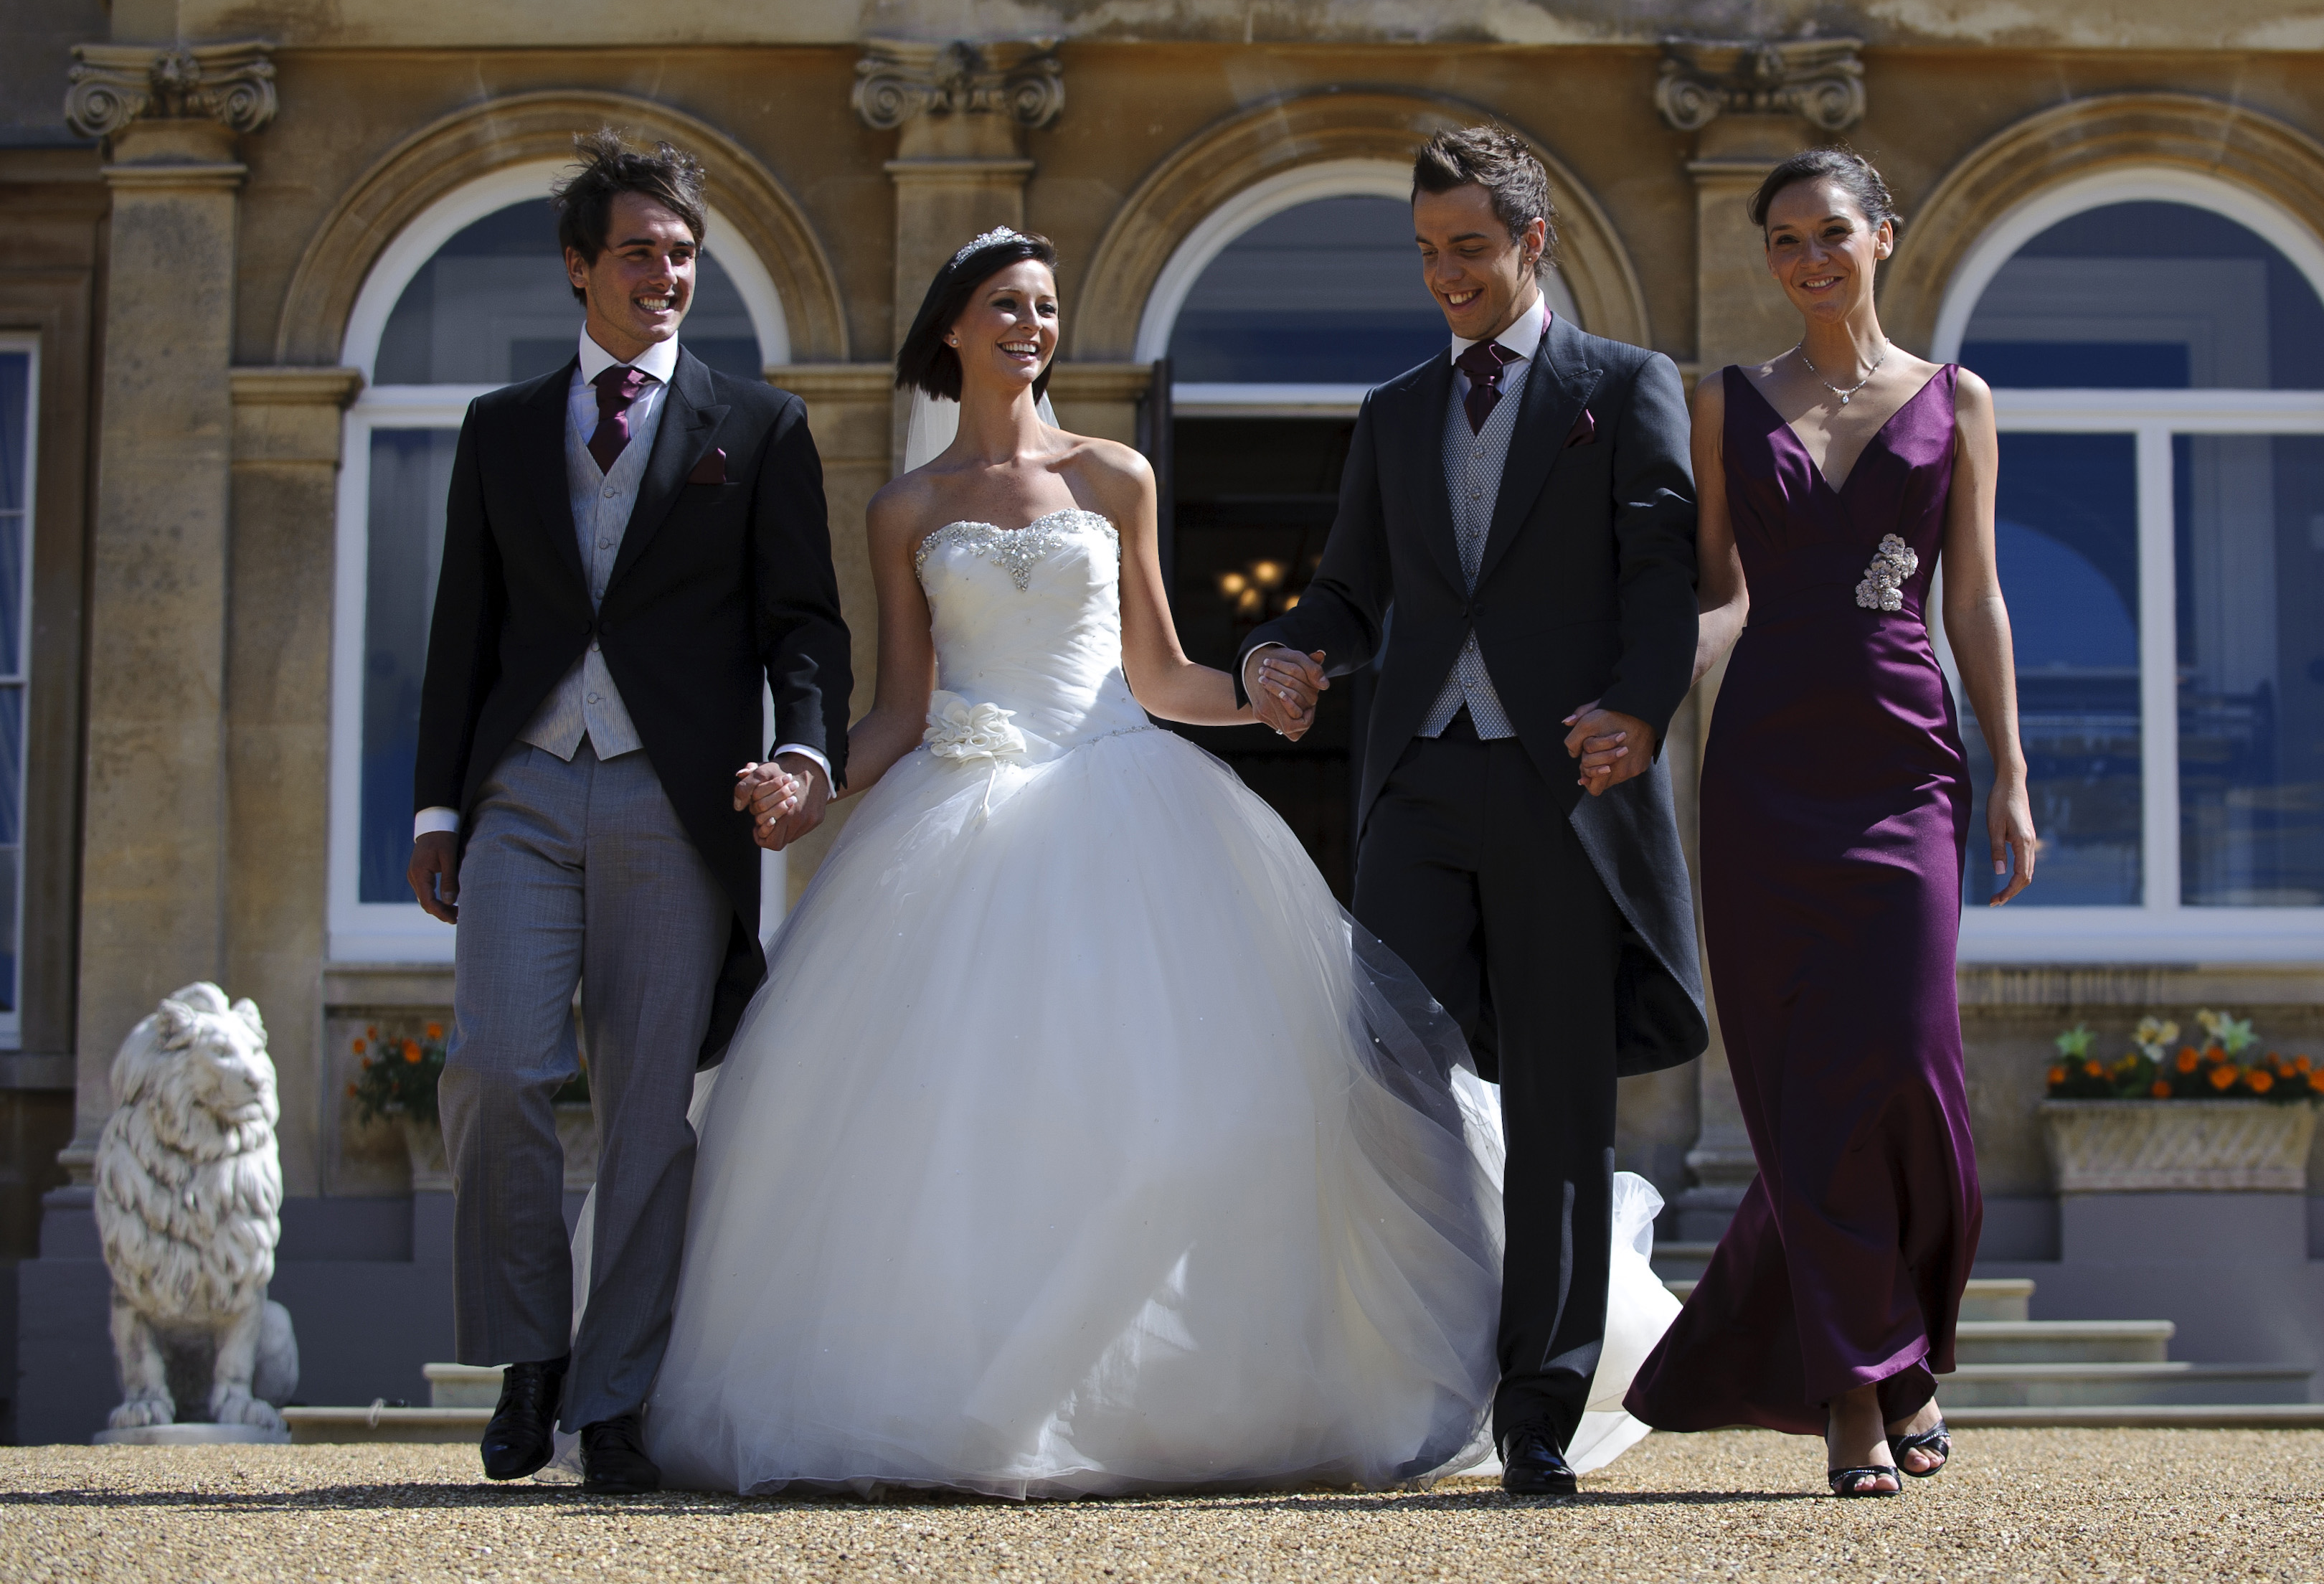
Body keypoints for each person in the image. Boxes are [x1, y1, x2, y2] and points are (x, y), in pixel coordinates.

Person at [634, 225, 1680, 1498]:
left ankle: (1185, 1393)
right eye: (1007, 306)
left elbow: (1159, 672)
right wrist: (805, 775)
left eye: (1046, 306)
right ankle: (970, 1398)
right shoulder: (902, 507)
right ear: (951, 329)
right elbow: (901, 707)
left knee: (1207, 1110)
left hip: (1125, 798)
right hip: (953, 818)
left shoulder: (1115, 473)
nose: (1032, 326)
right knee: (960, 1126)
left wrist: (1266, 689)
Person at [1239, 126, 1707, 1496]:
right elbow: (1350, 593)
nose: (1444, 276)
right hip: (1418, 786)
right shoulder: (1391, 412)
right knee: (1382, 1078)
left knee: (1561, 1104)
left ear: (1531, 244)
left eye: (1469, 250)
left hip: (1567, 779)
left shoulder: (1624, 389)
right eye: (1426, 252)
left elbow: (1663, 572)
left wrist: (1636, 705)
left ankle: (1542, 1406)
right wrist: (1288, 647)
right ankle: (1410, 1360)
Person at [407, 129, 851, 1495]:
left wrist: (802, 757)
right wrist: (435, 808)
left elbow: (804, 626)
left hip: (680, 797)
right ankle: (530, 1354)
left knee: (651, 1113)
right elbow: (461, 635)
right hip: (524, 789)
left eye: (682, 254)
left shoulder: (760, 428)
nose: (666, 274)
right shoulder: (499, 427)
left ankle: (614, 1396)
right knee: (492, 1066)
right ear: (577, 268)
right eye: (640, 253)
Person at [1623, 148, 2036, 1497]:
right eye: (1784, 238)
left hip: (1906, 759)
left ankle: (1886, 1345)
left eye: (1832, 234)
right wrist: (1641, 700)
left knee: (1906, 1068)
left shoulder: (1954, 398)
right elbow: (1719, 594)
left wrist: (2013, 771)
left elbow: (1969, 596)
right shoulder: (1722, 405)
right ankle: (1861, 1389)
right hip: (1761, 772)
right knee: (1801, 1091)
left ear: (1884, 239)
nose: (1809, 257)